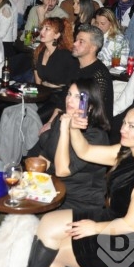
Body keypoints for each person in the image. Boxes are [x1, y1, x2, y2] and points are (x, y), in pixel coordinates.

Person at [21, 102, 134, 267]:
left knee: (55, 253)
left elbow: (130, 225)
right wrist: (74, 129)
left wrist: (95, 227)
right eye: (124, 123)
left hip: (132, 243)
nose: (123, 129)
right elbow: (86, 151)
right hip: (112, 219)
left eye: (132, 126)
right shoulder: (127, 152)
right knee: (48, 222)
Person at [26, 79, 110, 210]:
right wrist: (29, 182)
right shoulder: (63, 119)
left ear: (90, 105)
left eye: (77, 97)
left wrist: (66, 128)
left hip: (79, 201)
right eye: (69, 94)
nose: (69, 100)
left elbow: (62, 170)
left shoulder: (96, 136)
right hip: (51, 189)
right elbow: (46, 155)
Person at [71, 24, 113, 119]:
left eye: (81, 42)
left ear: (93, 48)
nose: (74, 43)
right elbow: (63, 98)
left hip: (91, 127)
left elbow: (85, 111)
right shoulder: (74, 65)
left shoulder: (99, 76)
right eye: (76, 40)